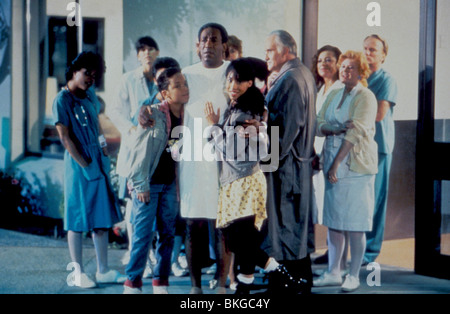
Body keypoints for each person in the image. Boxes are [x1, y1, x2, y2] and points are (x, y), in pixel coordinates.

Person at [139, 23, 232, 294]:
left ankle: (222, 283)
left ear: (223, 45)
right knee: (193, 222)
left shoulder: (231, 72)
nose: (207, 45)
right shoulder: (186, 74)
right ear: (196, 45)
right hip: (192, 161)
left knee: (222, 223)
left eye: (213, 40)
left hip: (225, 159)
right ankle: (195, 287)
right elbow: (157, 100)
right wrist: (143, 111)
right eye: (203, 40)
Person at [204, 58, 307, 294]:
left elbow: (234, 151)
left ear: (250, 83)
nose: (233, 84)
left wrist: (213, 126)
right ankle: (281, 277)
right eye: (229, 79)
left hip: (244, 181)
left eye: (239, 80)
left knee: (240, 239)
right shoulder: (240, 108)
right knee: (239, 239)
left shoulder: (245, 113)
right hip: (237, 181)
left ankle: (247, 286)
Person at [53, 51, 125, 288]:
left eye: (94, 76)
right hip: (78, 164)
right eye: (86, 73)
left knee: (101, 218)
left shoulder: (91, 95)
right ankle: (78, 272)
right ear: (74, 71)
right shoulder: (62, 100)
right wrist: (85, 164)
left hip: (98, 159)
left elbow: (98, 127)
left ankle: (103, 270)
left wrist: (104, 150)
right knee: (77, 218)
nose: (89, 79)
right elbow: (65, 138)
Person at [313, 50, 378, 292]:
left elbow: (356, 132)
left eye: (350, 68)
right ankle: (333, 272)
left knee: (355, 223)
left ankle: (353, 275)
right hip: (332, 161)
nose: (344, 71)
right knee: (334, 221)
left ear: (361, 73)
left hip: (355, 166)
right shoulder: (335, 93)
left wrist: (336, 163)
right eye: (343, 67)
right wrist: (334, 128)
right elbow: (318, 123)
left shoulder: (366, 96)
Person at [260, 30, 317, 294]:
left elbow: (288, 129)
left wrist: (266, 163)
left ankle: (288, 285)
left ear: (286, 51)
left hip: (286, 167)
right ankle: (294, 282)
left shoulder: (291, 79)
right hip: (292, 164)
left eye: (270, 50)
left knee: (285, 226)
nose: (266, 56)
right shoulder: (299, 74)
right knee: (291, 225)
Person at [123, 67, 188, 294]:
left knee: (167, 233)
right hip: (148, 183)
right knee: (143, 235)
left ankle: (160, 282)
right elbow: (138, 152)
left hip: (170, 183)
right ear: (165, 93)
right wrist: (140, 184)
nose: (184, 88)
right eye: (177, 85)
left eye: (185, 83)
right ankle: (132, 283)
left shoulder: (188, 115)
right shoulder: (153, 113)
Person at [107, 36, 160, 267]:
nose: (147, 53)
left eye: (151, 49)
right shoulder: (128, 80)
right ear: (138, 55)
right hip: (134, 149)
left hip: (157, 150)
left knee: (154, 202)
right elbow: (114, 110)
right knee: (133, 203)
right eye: (142, 49)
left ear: (157, 52)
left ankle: (151, 254)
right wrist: (129, 130)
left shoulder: (162, 79)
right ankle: (136, 252)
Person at [362, 34, 398, 265]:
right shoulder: (360, 78)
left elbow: (378, 115)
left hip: (380, 146)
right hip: (360, 147)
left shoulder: (387, 80)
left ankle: (370, 251)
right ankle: (354, 248)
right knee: (361, 200)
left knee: (375, 200)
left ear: (384, 55)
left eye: (373, 50)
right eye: (365, 48)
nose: (368, 53)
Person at [310, 46, 346, 268]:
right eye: (320, 60)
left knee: (337, 209)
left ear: (338, 63)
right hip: (318, 152)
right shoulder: (320, 88)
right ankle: (334, 255)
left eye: (329, 60)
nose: (324, 64)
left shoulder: (343, 88)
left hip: (335, 154)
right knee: (325, 207)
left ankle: (340, 263)